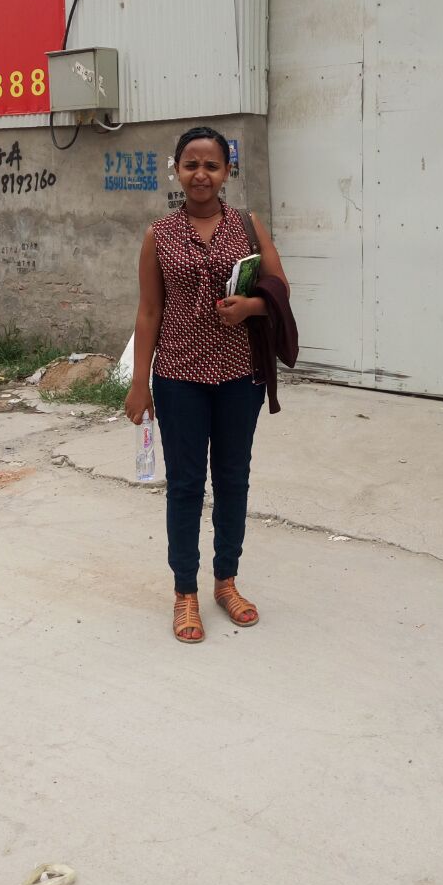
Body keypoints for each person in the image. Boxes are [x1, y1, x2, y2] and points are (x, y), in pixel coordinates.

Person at [125, 126, 291, 644]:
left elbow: (280, 287)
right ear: (177, 170)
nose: (201, 174)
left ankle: (226, 582)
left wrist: (252, 306)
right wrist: (139, 383)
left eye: (212, 165)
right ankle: (185, 592)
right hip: (178, 378)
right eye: (191, 164)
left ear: (227, 171)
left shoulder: (247, 225)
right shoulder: (159, 234)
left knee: (233, 481)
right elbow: (149, 311)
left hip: (239, 376)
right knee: (185, 486)